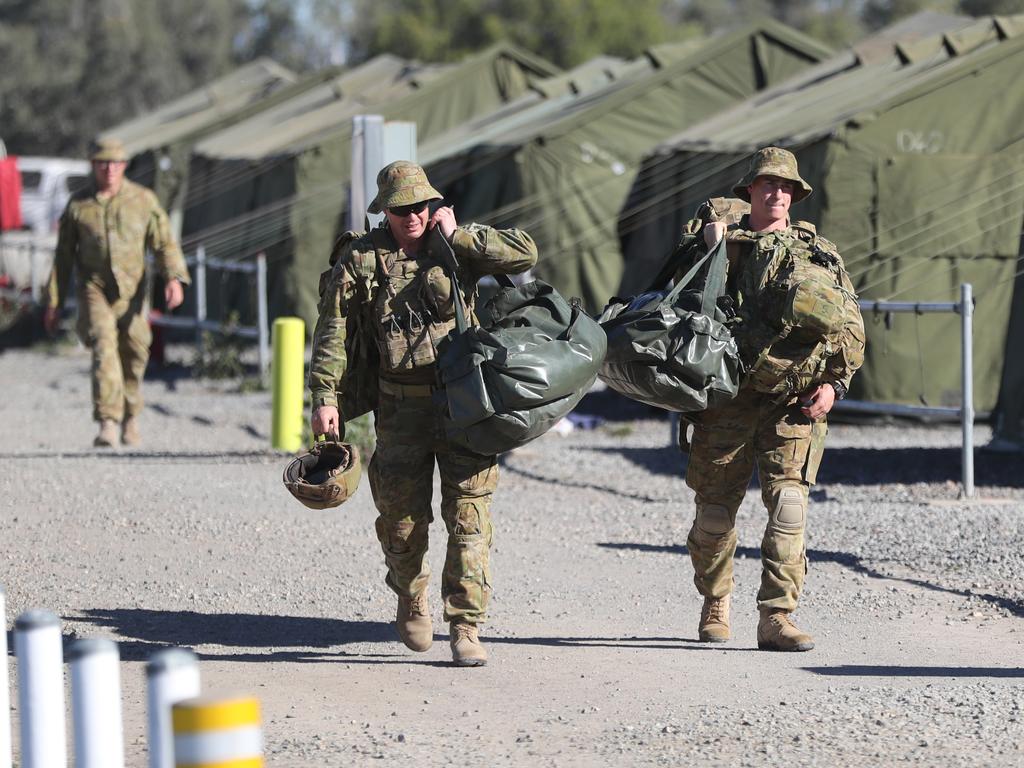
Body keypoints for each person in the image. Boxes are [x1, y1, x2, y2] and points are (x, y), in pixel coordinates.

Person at [308, 161, 537, 666]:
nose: (413, 215)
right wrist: (325, 397)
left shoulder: (453, 246)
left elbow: (525, 252)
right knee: (402, 521)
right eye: (401, 208)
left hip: (464, 407)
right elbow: (334, 332)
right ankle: (410, 595)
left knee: (469, 517)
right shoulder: (361, 259)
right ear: (385, 210)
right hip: (399, 410)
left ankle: (465, 625)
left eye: (420, 205)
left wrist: (463, 237)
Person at [684, 147, 865, 651]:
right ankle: (715, 601)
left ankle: (777, 617)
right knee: (715, 513)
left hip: (794, 402)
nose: (776, 193)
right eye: (766, 184)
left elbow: (849, 323)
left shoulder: (817, 252)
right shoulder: (718, 242)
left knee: (789, 508)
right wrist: (711, 249)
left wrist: (835, 385)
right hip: (728, 399)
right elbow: (681, 310)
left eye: (785, 187)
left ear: (795, 195)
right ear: (749, 192)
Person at [44, 137, 190, 448]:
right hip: (94, 288)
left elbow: (164, 242)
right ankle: (107, 422)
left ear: (124, 165)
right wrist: (53, 301)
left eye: (115, 163)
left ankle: (131, 416)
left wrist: (173, 278)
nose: (109, 169)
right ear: (93, 166)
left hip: (134, 291)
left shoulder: (143, 200)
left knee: (135, 353)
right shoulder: (79, 206)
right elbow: (63, 256)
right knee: (104, 346)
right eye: (102, 163)